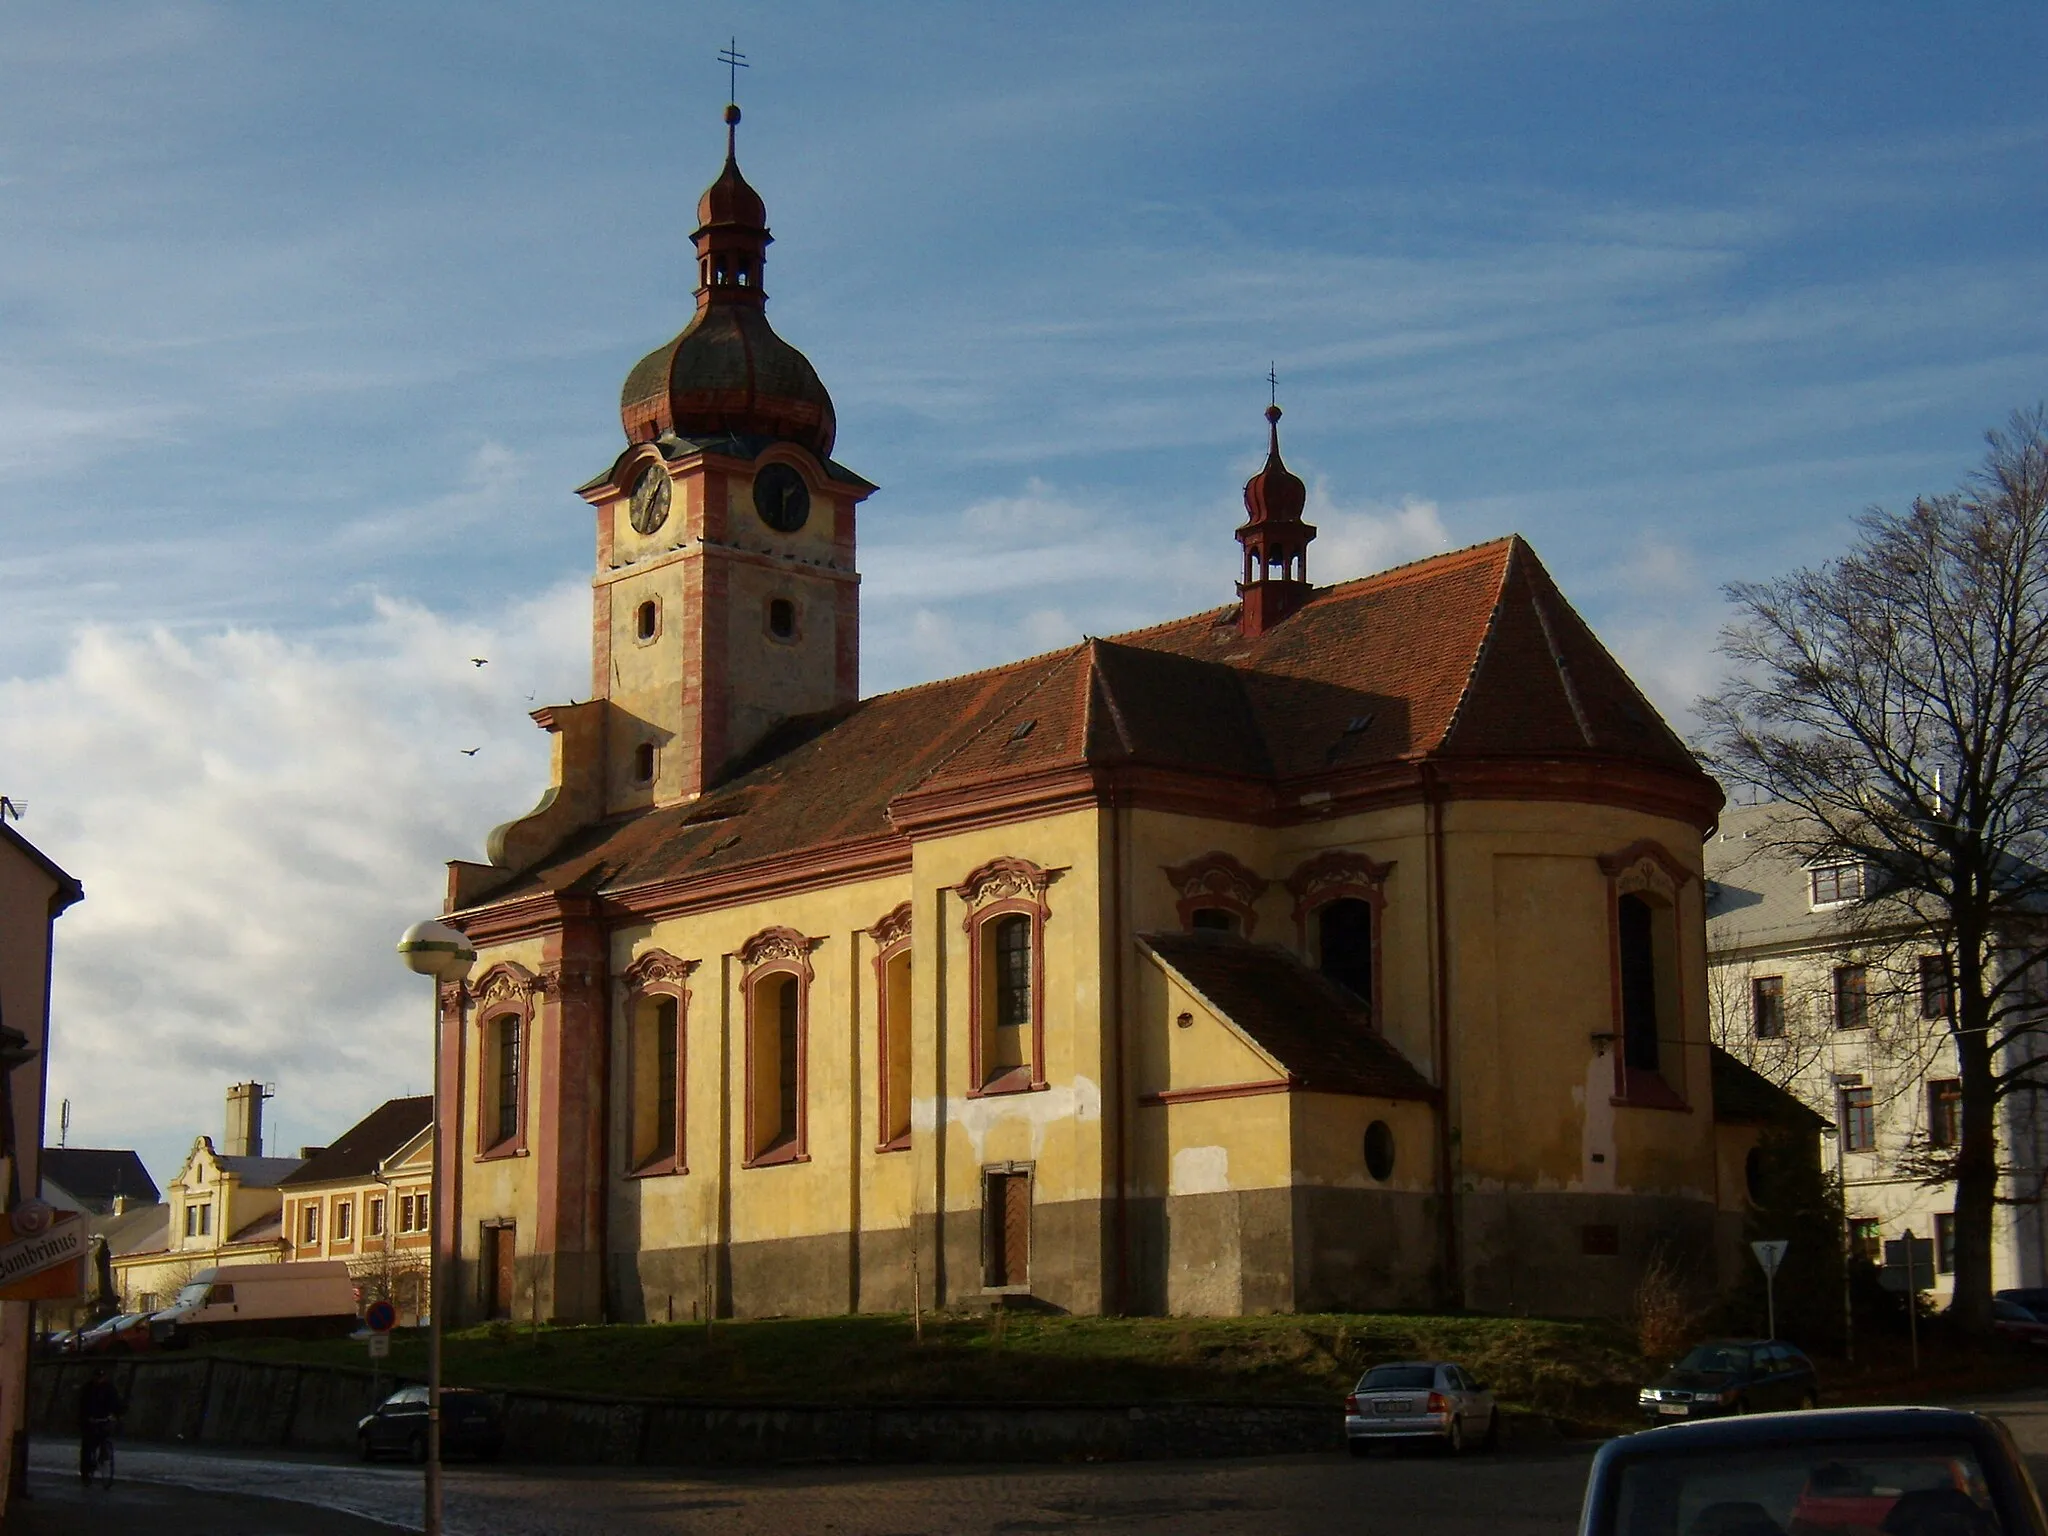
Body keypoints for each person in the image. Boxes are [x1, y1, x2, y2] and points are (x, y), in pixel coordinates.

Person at [77, 1366, 120, 1486]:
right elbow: (82, 1405)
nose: (99, 1379)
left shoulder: (109, 1389)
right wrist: (87, 1417)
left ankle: (103, 1457)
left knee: (104, 1438)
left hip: (104, 1419)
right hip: (89, 1421)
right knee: (87, 1446)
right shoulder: (87, 1389)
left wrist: (115, 1414)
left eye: (101, 1377)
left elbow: (115, 1403)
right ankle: (86, 1471)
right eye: (97, 1377)